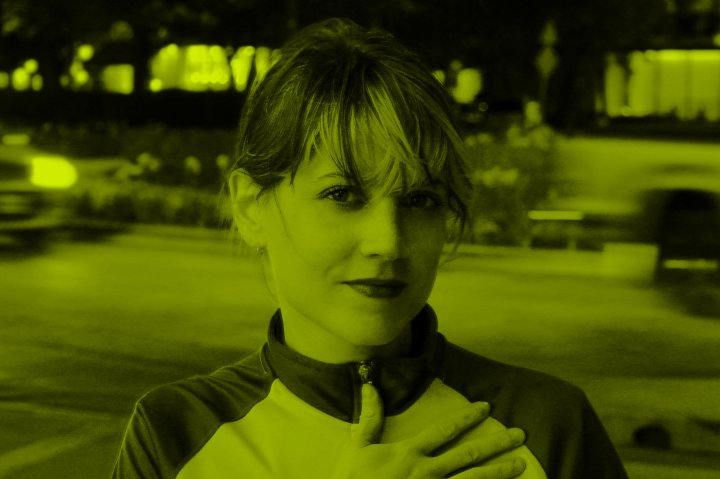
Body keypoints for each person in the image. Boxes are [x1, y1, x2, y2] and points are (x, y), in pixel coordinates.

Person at [112, 18, 629, 479]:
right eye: (343, 195)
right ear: (250, 207)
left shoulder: (546, 426)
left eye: (420, 200)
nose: (388, 242)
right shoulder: (176, 434)